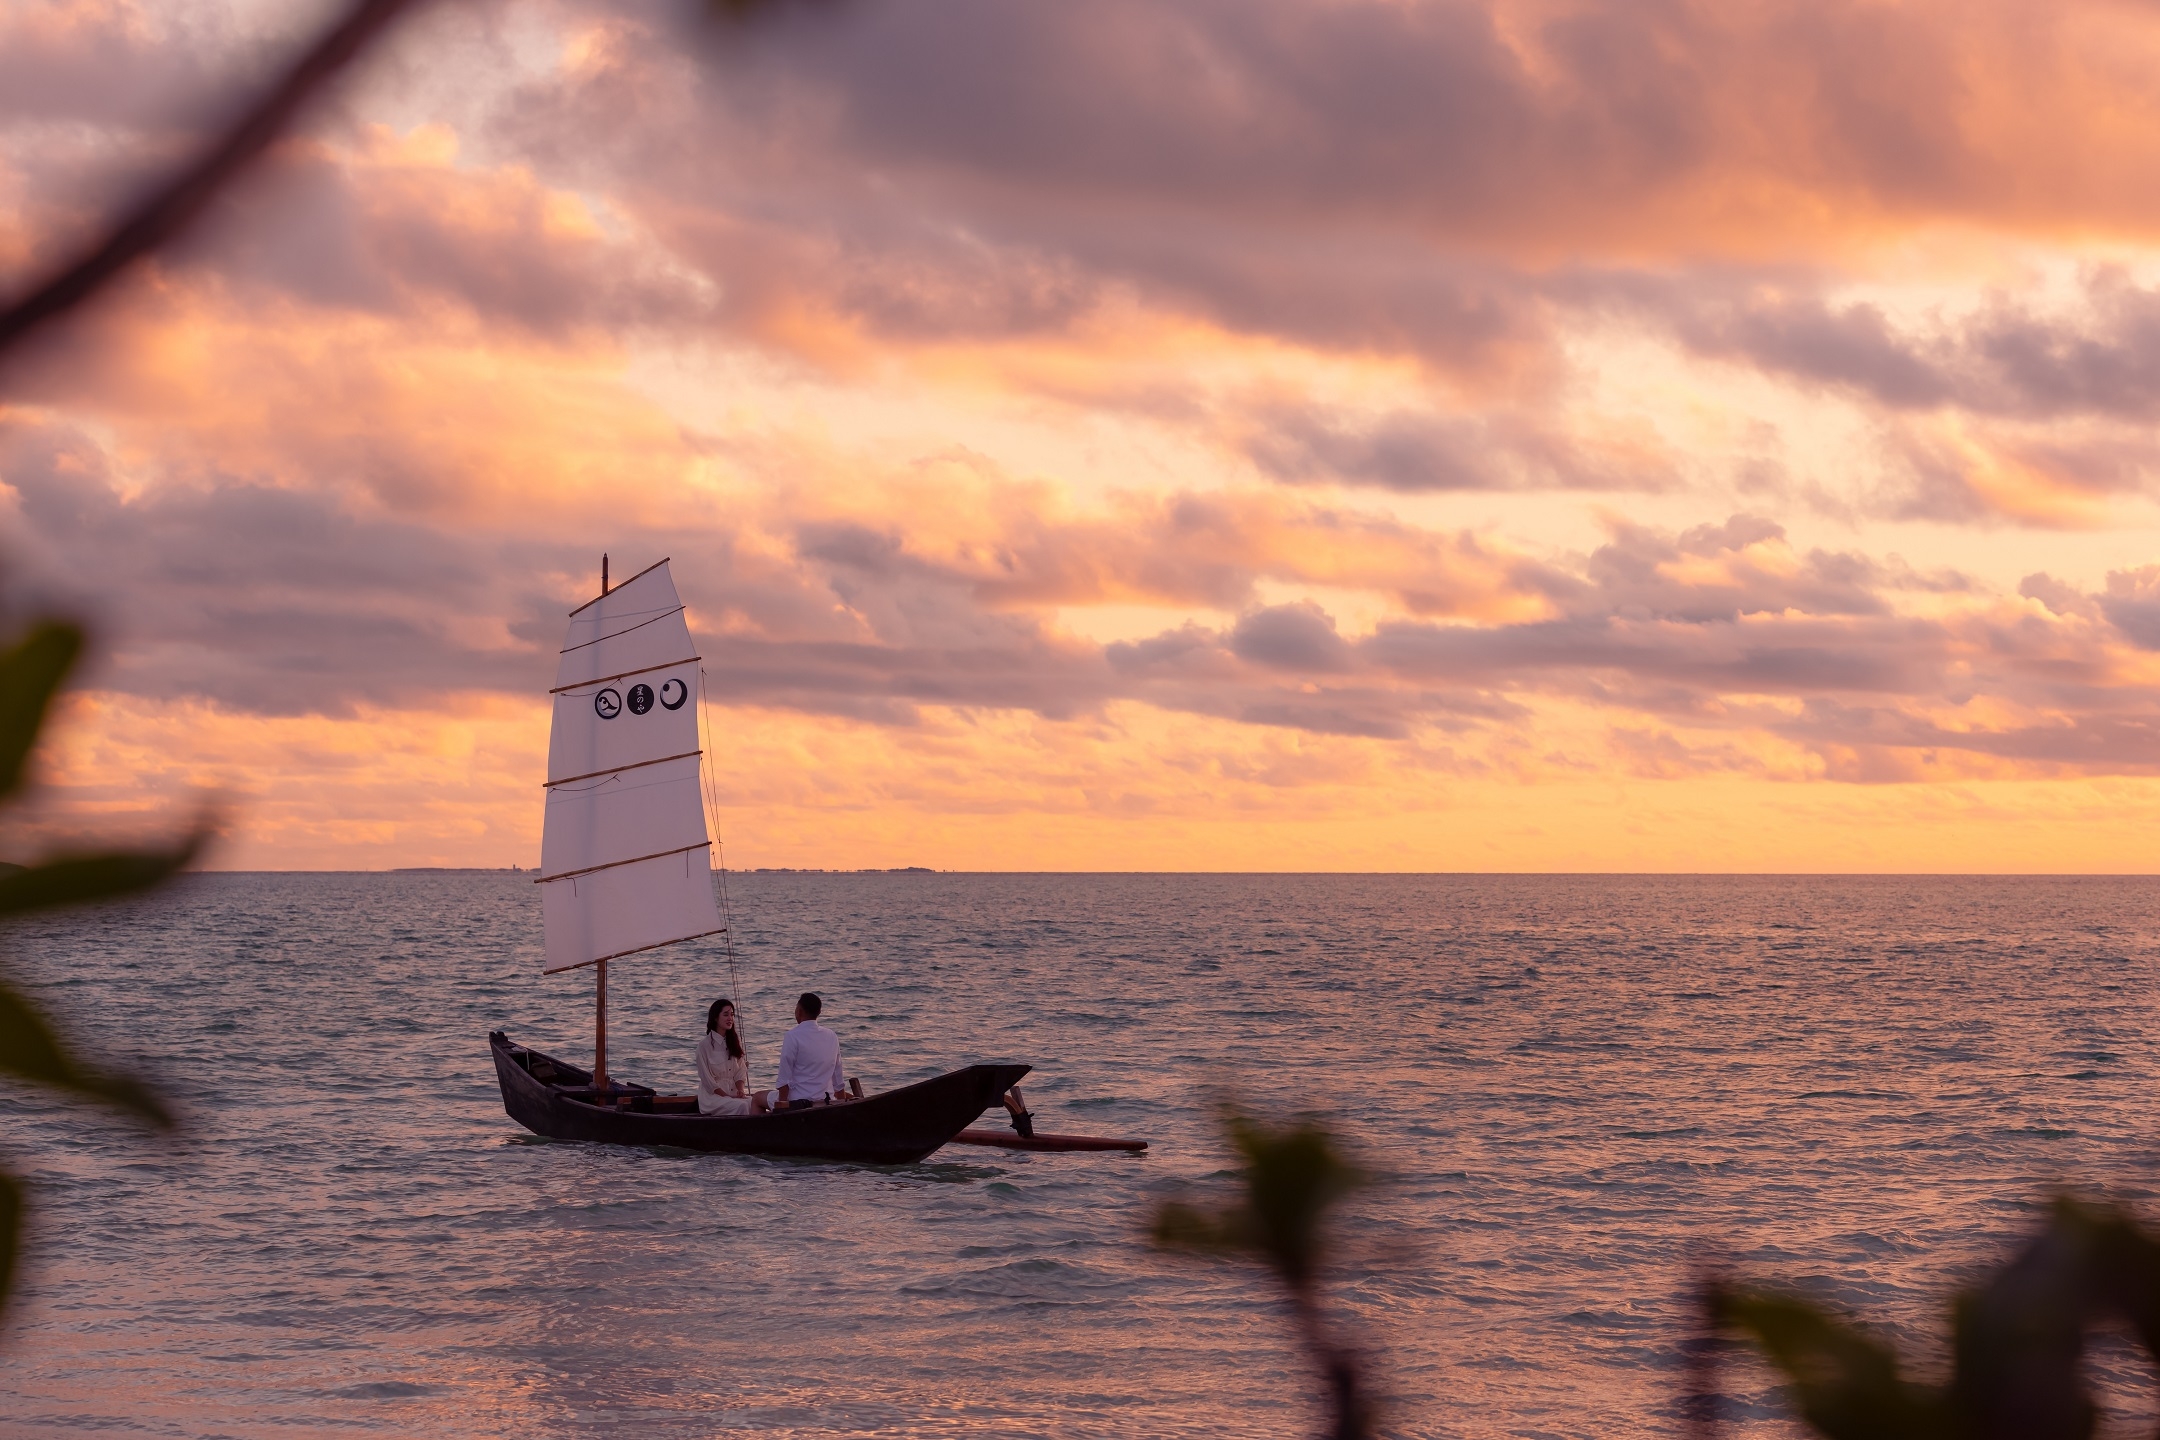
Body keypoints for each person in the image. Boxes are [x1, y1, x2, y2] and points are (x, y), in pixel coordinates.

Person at [767, 991, 848, 1109]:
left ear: (799, 1012)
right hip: (825, 1099)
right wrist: (841, 1106)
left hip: (798, 1101)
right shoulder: (832, 1035)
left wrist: (783, 1107)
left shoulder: (792, 1036)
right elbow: (838, 1079)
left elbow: (783, 1081)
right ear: (819, 1012)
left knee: (757, 1098)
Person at [696, 998, 766, 1116]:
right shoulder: (704, 1046)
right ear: (715, 1017)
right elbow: (708, 1082)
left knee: (754, 1103)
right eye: (726, 1014)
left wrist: (740, 1090)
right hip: (713, 1098)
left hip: (732, 1095)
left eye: (732, 1015)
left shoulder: (733, 1042)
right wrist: (728, 1096)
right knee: (742, 1105)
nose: (730, 1018)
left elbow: (740, 1072)